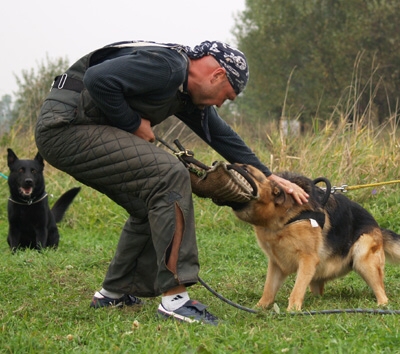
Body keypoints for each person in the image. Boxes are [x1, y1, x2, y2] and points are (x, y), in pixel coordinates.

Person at [35, 40, 309, 325]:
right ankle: (175, 301)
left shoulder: (185, 92)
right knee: (170, 174)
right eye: (225, 97)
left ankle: (113, 294)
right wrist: (130, 123)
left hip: (79, 126)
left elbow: (220, 135)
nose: (219, 104)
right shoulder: (168, 66)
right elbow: (97, 79)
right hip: (66, 127)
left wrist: (270, 175)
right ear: (217, 76)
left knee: (149, 202)